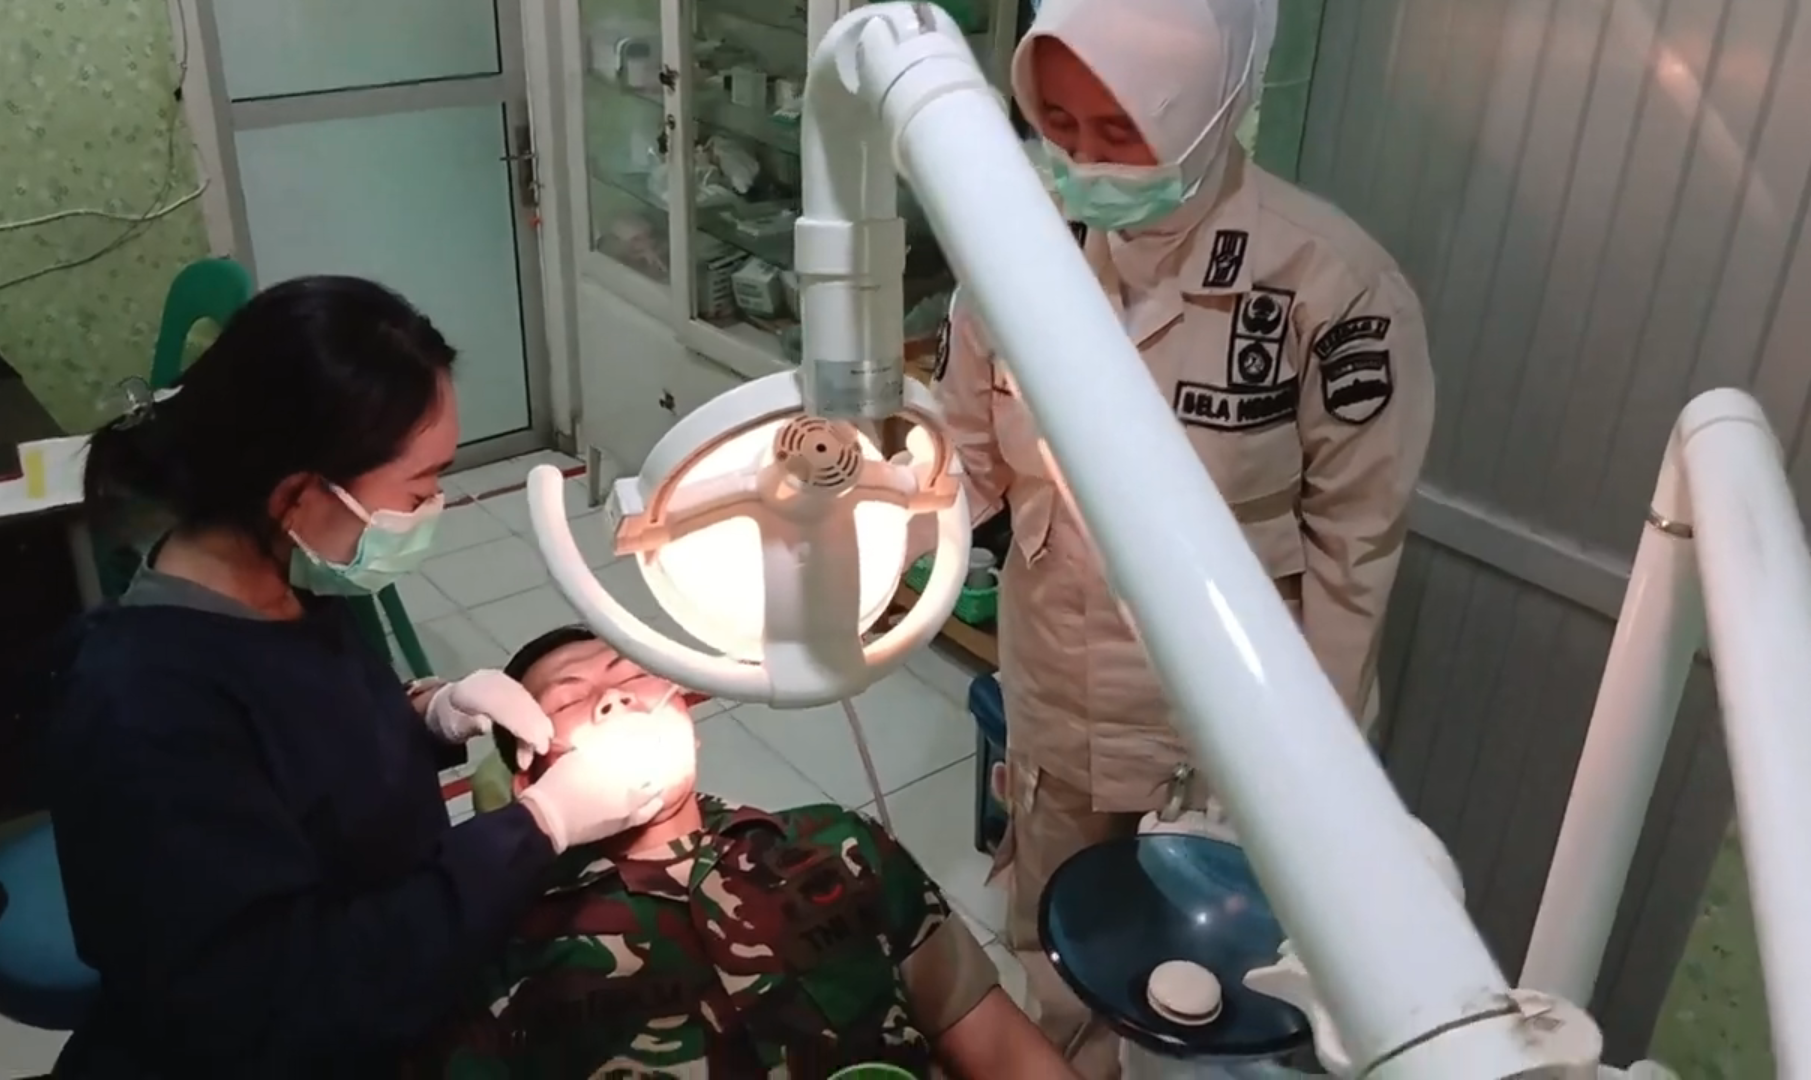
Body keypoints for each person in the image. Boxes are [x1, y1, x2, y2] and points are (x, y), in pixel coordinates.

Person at [931, 0, 1436, 1073]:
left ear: (1207, 111)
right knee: (1057, 952)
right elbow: (962, 461)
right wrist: (872, 542)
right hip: (1059, 691)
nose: (1083, 161)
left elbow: (1356, 549)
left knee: (1217, 995)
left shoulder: (1326, 282)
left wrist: (1309, 766)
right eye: (1059, 125)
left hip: (1231, 722)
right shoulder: (1016, 247)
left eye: (1120, 131)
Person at [41, 276, 691, 1078]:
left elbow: (308, 758)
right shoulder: (143, 712)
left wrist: (427, 716)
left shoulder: (288, 582)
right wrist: (537, 827)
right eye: (420, 486)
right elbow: (285, 1004)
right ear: (299, 495)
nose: (435, 502)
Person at [403, 626, 1077, 1079]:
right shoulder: (506, 954)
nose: (614, 699)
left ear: (686, 718)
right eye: (571, 700)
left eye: (631, 674)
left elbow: (993, 1041)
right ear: (530, 780)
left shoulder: (840, 848)